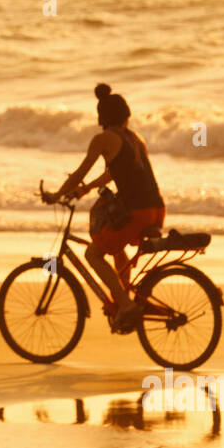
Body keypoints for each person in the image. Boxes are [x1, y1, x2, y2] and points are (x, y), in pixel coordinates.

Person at [45, 83, 165, 333]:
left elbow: (81, 170)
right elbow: (114, 172)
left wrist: (57, 194)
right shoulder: (134, 139)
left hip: (136, 212)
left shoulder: (103, 139)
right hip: (155, 209)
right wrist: (86, 189)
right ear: (126, 115)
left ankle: (125, 305)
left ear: (101, 117)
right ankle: (125, 298)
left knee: (93, 255)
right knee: (114, 243)